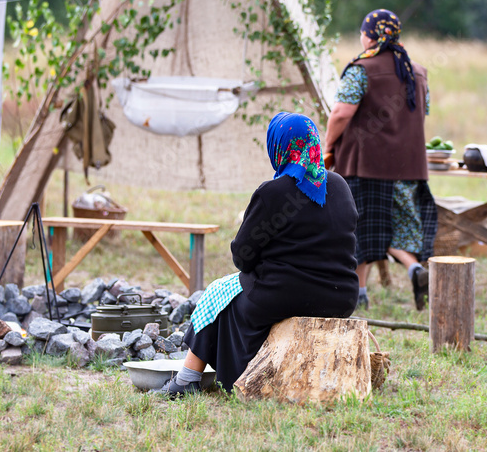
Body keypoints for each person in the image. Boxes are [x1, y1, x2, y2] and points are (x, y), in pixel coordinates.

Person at [153, 112, 359, 398]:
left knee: (219, 295)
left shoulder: (273, 193)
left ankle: (188, 379)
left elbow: (242, 257)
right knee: (233, 294)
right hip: (342, 296)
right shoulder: (339, 186)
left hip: (283, 295)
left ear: (279, 147)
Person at [323, 9, 437, 311]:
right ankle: (414, 268)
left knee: (360, 228)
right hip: (408, 166)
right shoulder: (418, 72)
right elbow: (421, 113)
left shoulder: (362, 69)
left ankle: (359, 292)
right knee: (397, 228)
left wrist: (328, 145)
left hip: (365, 165)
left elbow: (341, 113)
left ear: (367, 35)